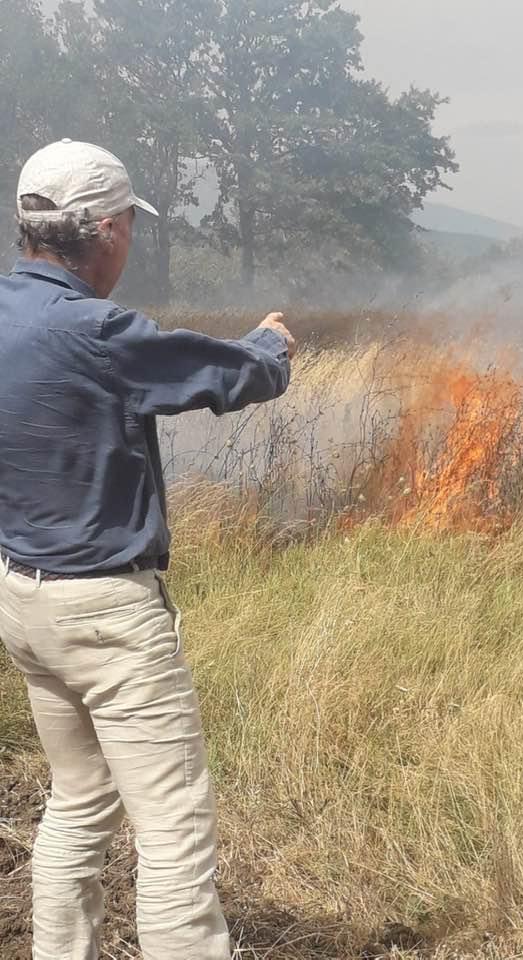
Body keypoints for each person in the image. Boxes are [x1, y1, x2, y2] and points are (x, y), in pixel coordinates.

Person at [0, 139, 296, 960]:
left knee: (78, 800)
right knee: (172, 836)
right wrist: (270, 345)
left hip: (23, 600)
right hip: (107, 616)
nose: (129, 238)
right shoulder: (96, 330)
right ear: (103, 231)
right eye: (129, 222)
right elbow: (228, 374)